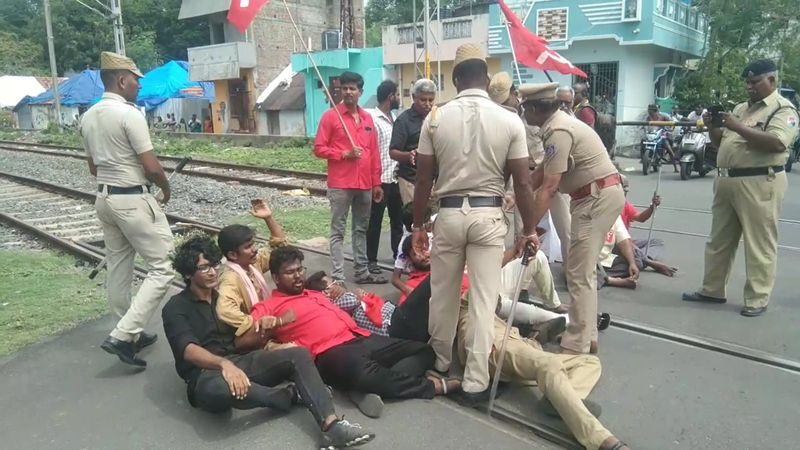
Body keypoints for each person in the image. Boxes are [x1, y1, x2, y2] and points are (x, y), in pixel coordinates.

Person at [412, 43, 540, 407]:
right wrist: (529, 230)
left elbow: (423, 181)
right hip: (488, 215)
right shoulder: (509, 120)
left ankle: (439, 363)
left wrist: (419, 225)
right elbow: (524, 182)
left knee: (443, 294)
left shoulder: (435, 118)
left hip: (449, 215)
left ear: (454, 80)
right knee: (484, 300)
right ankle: (475, 382)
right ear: (485, 79)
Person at [162, 234, 374, 449]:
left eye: (215, 265)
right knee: (216, 390)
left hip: (241, 360)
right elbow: (187, 350)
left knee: (297, 354)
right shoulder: (176, 307)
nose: (213, 272)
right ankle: (288, 395)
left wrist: (267, 327)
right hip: (205, 373)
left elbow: (243, 341)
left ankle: (331, 426)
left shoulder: (224, 300)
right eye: (205, 267)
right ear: (188, 273)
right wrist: (223, 365)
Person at [251, 246, 461, 418]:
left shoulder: (313, 293)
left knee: (424, 351)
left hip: (359, 337)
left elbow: (347, 302)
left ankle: (364, 387)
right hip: (329, 352)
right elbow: (244, 338)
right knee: (364, 372)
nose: (298, 276)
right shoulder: (269, 306)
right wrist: (274, 323)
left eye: (300, 270)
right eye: (290, 273)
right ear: (276, 278)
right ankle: (429, 387)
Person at [683, 59, 799, 317]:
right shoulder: (741, 108)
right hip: (727, 181)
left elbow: (778, 143)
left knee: (759, 244)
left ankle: (757, 298)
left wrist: (736, 125)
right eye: (747, 82)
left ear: (772, 80)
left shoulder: (783, 109)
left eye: (755, 82)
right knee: (719, 241)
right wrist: (715, 126)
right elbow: (721, 141)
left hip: (759, 182)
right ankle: (712, 290)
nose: (750, 87)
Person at [80, 51, 173, 368]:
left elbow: (93, 168)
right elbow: (150, 165)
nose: (139, 85)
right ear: (121, 80)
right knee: (164, 266)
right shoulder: (130, 114)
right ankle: (123, 336)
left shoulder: (88, 116)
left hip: (104, 199)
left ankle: (128, 331)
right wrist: (165, 187)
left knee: (119, 266)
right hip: (132, 199)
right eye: (136, 79)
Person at [519, 82, 624, 355]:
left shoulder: (557, 130)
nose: (522, 114)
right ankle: (587, 334)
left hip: (594, 199)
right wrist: (518, 192)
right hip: (597, 195)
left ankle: (576, 343)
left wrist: (528, 228)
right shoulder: (558, 124)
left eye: (523, 108)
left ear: (532, 108)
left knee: (577, 272)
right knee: (584, 270)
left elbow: (550, 186)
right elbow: (543, 171)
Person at [456, 294, 630, 450]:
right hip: (495, 346)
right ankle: (600, 439)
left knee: (589, 361)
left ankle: (561, 400)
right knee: (549, 364)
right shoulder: (465, 292)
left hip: (516, 341)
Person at [313, 71, 386, 285]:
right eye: (344, 88)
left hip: (364, 184)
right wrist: (344, 154)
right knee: (338, 231)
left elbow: (373, 152)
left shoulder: (367, 118)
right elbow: (318, 148)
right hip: (341, 185)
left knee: (360, 229)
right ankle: (337, 276)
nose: (348, 92)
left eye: (352, 88)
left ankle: (362, 272)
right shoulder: (330, 116)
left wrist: (377, 183)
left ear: (360, 92)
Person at [215, 199, 287, 337]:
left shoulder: (252, 264)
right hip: (254, 337)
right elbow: (224, 310)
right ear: (232, 254)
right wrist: (257, 322)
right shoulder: (230, 278)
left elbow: (280, 247)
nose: (254, 249)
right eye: (248, 247)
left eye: (253, 244)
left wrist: (268, 218)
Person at [366, 80, 403, 275]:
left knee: (397, 221)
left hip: (395, 178)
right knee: (375, 222)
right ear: (390, 96)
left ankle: (398, 257)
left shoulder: (394, 117)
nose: (398, 98)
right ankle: (371, 260)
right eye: (397, 94)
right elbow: (371, 151)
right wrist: (374, 182)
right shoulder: (372, 118)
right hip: (380, 180)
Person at [305, 271, 396, 336]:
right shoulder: (336, 303)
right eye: (333, 283)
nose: (337, 284)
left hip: (390, 316)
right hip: (389, 324)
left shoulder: (337, 300)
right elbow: (353, 300)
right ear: (326, 292)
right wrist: (359, 297)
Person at [390, 78, 436, 205]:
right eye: (423, 100)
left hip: (433, 179)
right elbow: (393, 152)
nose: (428, 104)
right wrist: (409, 155)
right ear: (414, 97)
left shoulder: (437, 118)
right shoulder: (403, 121)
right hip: (410, 179)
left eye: (431, 100)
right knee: (413, 217)